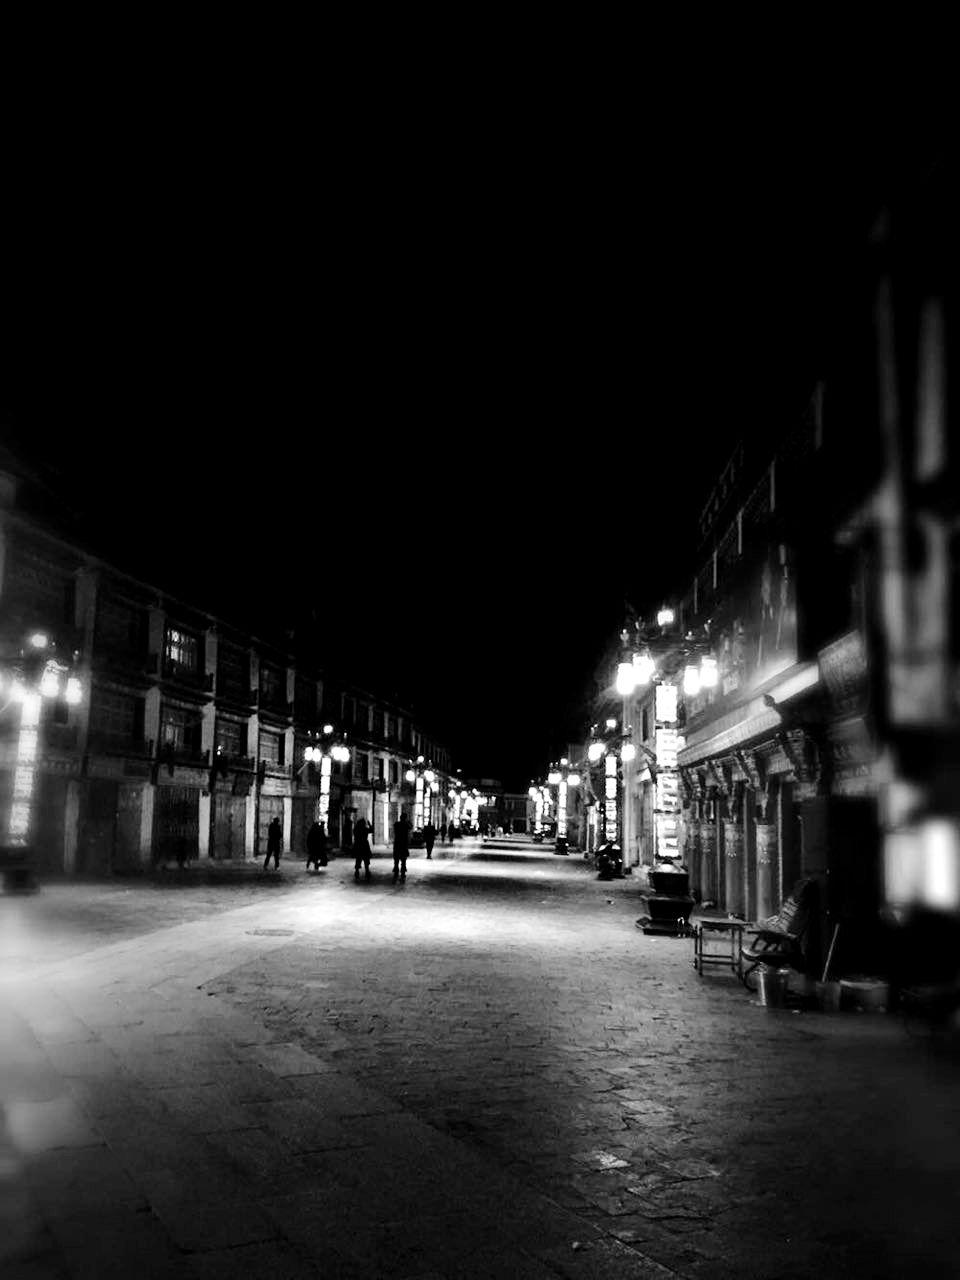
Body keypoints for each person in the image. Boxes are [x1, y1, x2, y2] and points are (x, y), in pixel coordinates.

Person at [393, 812, 411, 881]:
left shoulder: (396, 824)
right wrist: (408, 821)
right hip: (403, 843)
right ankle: (402, 873)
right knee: (403, 860)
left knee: (396, 859)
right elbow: (410, 827)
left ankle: (396, 872)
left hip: (397, 843)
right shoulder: (406, 824)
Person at [354, 815, 372, 881]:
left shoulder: (356, 829)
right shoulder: (365, 829)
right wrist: (369, 824)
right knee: (366, 860)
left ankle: (357, 872)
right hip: (364, 845)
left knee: (358, 859)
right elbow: (371, 830)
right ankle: (367, 872)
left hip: (358, 845)